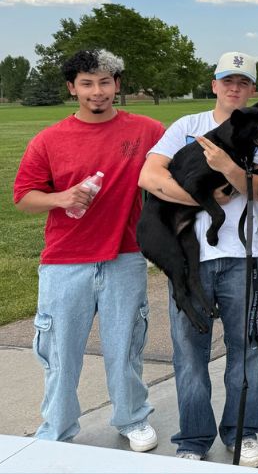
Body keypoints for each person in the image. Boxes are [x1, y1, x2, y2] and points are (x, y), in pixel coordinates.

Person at [139, 51, 258, 466]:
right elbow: (149, 177)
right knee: (189, 354)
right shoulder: (188, 127)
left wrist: (225, 167)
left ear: (252, 90)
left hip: (244, 256)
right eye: (228, 81)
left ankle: (244, 433)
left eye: (243, 82)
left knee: (248, 350)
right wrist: (201, 201)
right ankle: (194, 439)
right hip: (193, 258)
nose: (234, 88)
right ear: (215, 84)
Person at [14, 49, 162, 450]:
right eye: (87, 83)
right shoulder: (49, 140)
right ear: (72, 87)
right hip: (64, 262)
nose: (97, 92)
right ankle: (57, 431)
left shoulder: (148, 130)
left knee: (125, 346)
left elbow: (177, 166)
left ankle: (132, 417)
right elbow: (23, 196)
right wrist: (61, 199)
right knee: (61, 355)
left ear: (117, 84)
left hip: (125, 256)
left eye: (105, 82)